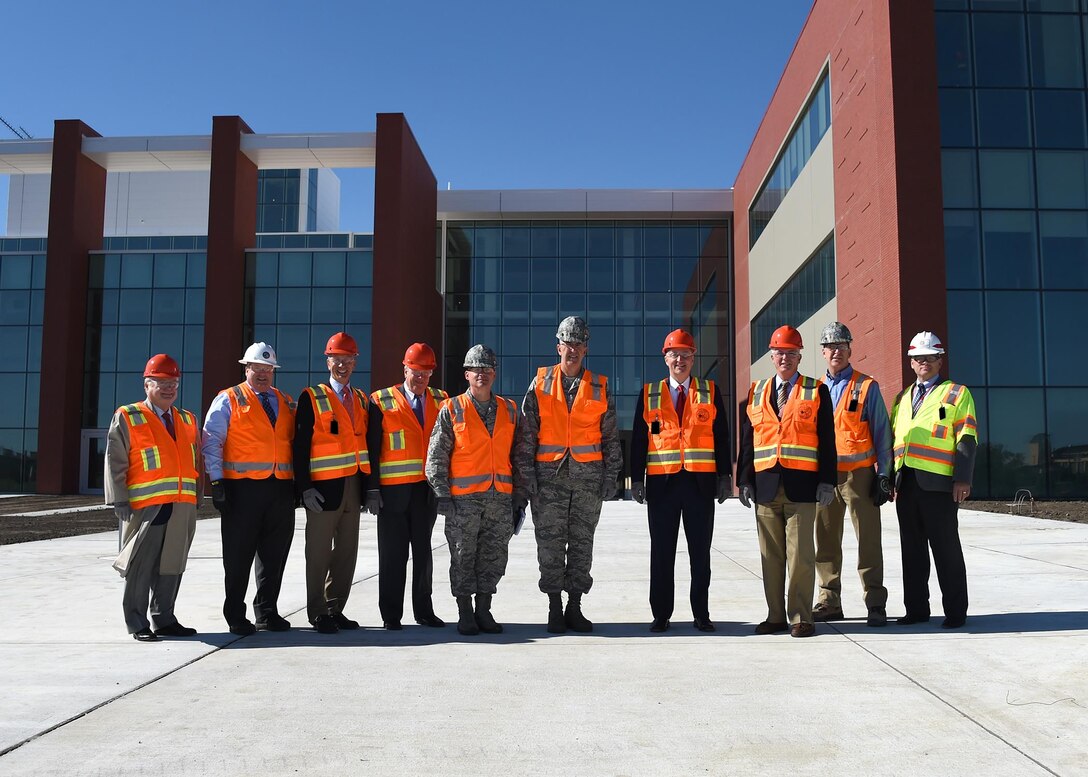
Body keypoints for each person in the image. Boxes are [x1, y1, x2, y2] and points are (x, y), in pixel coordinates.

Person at [514, 316, 622, 633]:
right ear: (558, 345)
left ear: (585, 348)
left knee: (581, 545)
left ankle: (574, 606)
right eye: (567, 343)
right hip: (548, 480)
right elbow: (526, 436)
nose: (572, 350)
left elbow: (610, 438)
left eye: (578, 344)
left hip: (588, 480)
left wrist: (611, 477)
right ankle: (553, 608)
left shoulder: (600, 386)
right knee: (549, 545)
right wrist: (526, 477)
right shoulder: (539, 384)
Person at [737, 325, 836, 638]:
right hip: (765, 486)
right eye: (780, 352)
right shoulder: (755, 392)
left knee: (801, 556)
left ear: (800, 356)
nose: (785, 358)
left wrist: (827, 482)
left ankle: (800, 617)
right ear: (771, 355)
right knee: (771, 557)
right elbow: (748, 441)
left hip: (802, 486)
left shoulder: (816, 391)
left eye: (791, 353)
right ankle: (775, 616)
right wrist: (744, 480)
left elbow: (827, 441)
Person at [629, 329, 731, 634]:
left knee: (701, 553)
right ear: (665, 358)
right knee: (662, 553)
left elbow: (722, 437)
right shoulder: (649, 394)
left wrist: (724, 477)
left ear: (693, 358)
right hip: (663, 485)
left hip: (700, 486)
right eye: (674, 354)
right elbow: (638, 440)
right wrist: (636, 479)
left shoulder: (710, 391)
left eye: (686, 354)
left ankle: (701, 613)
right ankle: (661, 614)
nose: (680, 360)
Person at [425, 344, 527, 636]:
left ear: (494, 373)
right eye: (476, 370)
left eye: (487, 369)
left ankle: (484, 609)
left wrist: (520, 492)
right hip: (462, 502)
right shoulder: (452, 408)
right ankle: (465, 612)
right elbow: (436, 455)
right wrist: (442, 493)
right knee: (462, 556)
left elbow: (518, 454)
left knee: (493, 556)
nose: (481, 374)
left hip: (500, 499)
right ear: (466, 374)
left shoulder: (509, 409)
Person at [202, 342, 297, 636]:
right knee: (238, 555)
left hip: (279, 489)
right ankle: (235, 614)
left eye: (268, 369)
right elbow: (211, 441)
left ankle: (267, 612)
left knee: (274, 554)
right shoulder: (228, 399)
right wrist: (216, 481)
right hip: (241, 490)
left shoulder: (284, 401)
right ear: (246, 368)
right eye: (257, 368)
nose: (263, 374)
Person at [106, 354, 201, 642]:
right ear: (147, 385)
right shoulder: (129, 416)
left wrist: (198, 499)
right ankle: (137, 623)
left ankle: (164, 619)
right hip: (146, 507)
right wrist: (119, 499)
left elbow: (195, 462)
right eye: (161, 383)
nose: (169, 388)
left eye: (173, 382)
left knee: (173, 564)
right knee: (141, 566)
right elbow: (115, 460)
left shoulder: (187, 419)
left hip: (182, 504)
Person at [889, 331, 977, 629]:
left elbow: (967, 437)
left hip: (940, 485)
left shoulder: (957, 393)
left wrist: (962, 479)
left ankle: (955, 612)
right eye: (917, 358)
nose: (923, 362)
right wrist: (888, 480)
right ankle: (916, 609)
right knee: (911, 551)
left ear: (940, 360)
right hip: (907, 484)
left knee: (946, 549)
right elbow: (894, 441)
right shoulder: (901, 398)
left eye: (929, 357)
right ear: (911, 362)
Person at [813, 322, 892, 627]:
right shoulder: (815, 389)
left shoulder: (866, 386)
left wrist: (884, 474)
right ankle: (828, 601)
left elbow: (882, 433)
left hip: (860, 476)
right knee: (826, 541)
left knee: (868, 541)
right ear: (823, 352)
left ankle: (875, 602)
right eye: (831, 347)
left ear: (850, 350)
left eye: (841, 347)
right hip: (826, 478)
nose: (836, 352)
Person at [366, 342, 449, 630]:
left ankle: (424, 611)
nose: (421, 378)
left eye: (426, 373)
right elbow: (372, 447)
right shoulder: (381, 400)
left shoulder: (441, 400)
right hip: (391, 493)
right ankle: (391, 615)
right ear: (405, 369)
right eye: (416, 372)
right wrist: (372, 489)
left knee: (423, 554)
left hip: (426, 492)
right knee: (393, 555)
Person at [293, 332, 371, 635]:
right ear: (328, 361)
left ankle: (336, 608)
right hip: (322, 489)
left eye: (348, 359)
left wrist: (368, 488)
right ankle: (317, 611)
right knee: (318, 552)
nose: (343, 365)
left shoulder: (361, 398)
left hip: (352, 486)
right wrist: (304, 488)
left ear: (355, 362)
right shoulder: (311, 397)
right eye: (337, 359)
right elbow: (299, 446)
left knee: (347, 552)